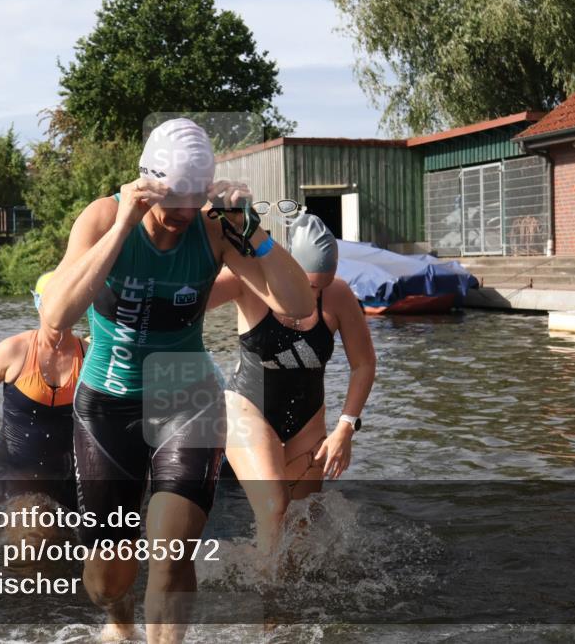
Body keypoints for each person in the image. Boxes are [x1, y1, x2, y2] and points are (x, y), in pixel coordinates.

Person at [37, 118, 314, 642]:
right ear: (147, 186)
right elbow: (55, 316)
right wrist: (122, 225)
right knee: (106, 580)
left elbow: (299, 309)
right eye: (171, 207)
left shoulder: (214, 227)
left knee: (170, 551)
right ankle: (119, 628)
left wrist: (251, 230)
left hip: (186, 395)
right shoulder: (100, 217)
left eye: (193, 206)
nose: (181, 220)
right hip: (108, 402)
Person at [207, 213, 376, 556]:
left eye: (320, 287)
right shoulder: (248, 281)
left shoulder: (339, 295)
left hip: (307, 421)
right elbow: (184, 301)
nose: (312, 295)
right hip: (248, 409)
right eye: (307, 284)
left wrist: (345, 428)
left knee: (302, 530)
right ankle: (267, 604)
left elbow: (363, 364)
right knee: (274, 508)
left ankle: (288, 604)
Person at [0, 271, 87, 513]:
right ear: (39, 304)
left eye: (69, 302)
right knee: (34, 534)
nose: (62, 311)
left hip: (64, 474)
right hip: (10, 469)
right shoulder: (13, 350)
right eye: (55, 303)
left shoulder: (89, 355)